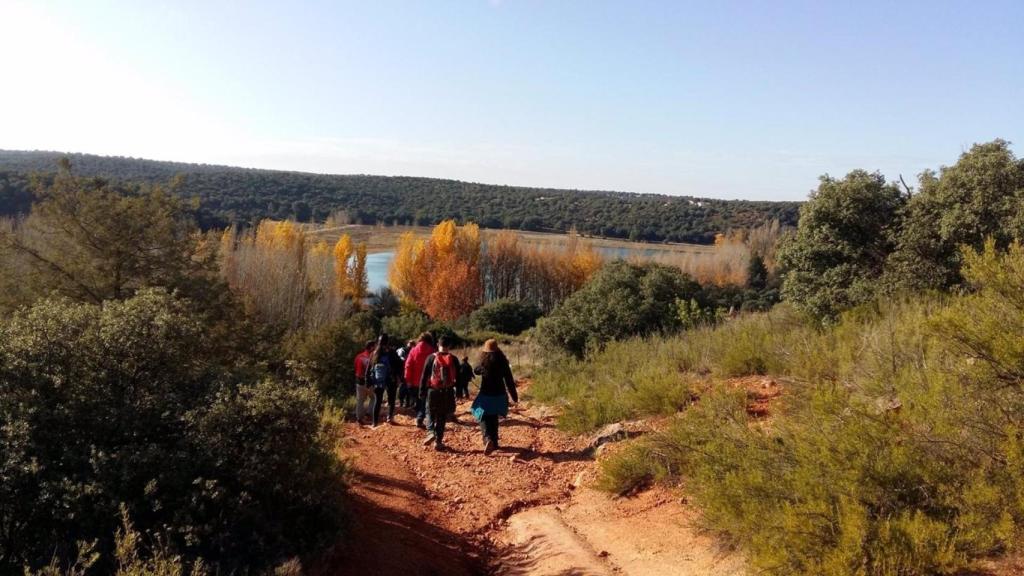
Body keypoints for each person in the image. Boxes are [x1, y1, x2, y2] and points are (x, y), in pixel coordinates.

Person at [471, 339, 519, 454]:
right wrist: (514, 396)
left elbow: (475, 370)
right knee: (493, 416)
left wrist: (481, 368)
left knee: (479, 413)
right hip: (500, 396)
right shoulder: (503, 362)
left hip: (486, 394)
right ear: (498, 349)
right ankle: (495, 443)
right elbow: (509, 380)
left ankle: (487, 438)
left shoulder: (483, 363)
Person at [419, 335, 460, 451]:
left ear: (438, 345)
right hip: (447, 391)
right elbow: (459, 377)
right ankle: (438, 442)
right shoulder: (454, 359)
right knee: (442, 416)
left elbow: (424, 376)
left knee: (430, 412)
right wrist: (459, 392)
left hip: (433, 390)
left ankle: (431, 431)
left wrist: (422, 391)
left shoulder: (431, 358)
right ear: (449, 346)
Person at [367, 334, 401, 427]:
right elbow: (399, 365)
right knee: (391, 400)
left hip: (378, 380)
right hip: (391, 379)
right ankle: (389, 417)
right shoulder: (392, 352)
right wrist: (399, 377)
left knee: (378, 401)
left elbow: (369, 368)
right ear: (388, 341)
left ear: (378, 341)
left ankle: (374, 422)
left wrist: (368, 382)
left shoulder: (374, 353)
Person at [403, 332, 436, 428]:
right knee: (425, 401)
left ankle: (419, 416)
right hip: (428, 381)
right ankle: (421, 417)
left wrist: (407, 379)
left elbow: (408, 365)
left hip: (414, 381)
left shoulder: (413, 350)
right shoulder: (432, 351)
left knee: (418, 400)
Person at [353, 340, 375, 424]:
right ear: (371, 347)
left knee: (360, 400)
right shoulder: (372, 357)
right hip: (369, 382)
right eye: (375, 346)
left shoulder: (358, 356)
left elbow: (355, 367)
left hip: (359, 381)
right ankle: (369, 413)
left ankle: (359, 418)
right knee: (374, 398)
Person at [396, 339, 414, 409]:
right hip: (403, 371)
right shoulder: (403, 350)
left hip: (407, 371)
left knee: (407, 388)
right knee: (403, 388)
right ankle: (402, 402)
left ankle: (406, 403)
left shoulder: (410, 351)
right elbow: (401, 360)